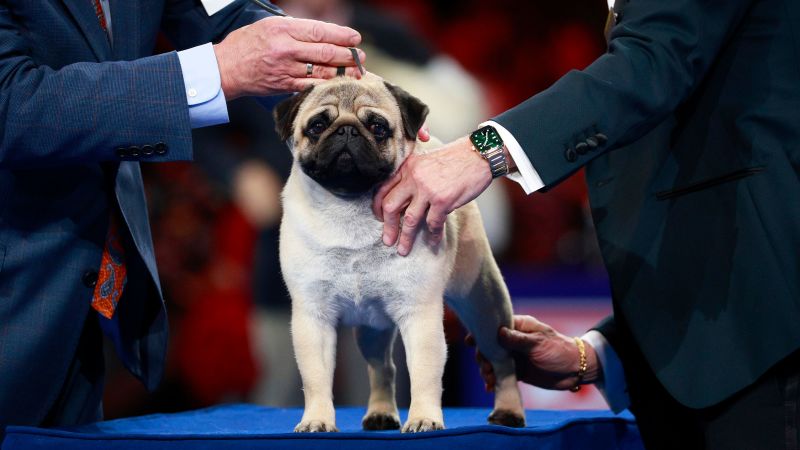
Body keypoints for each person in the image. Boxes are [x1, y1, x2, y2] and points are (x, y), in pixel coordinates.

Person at [373, 0, 800, 448]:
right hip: (716, 353)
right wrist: (599, 354)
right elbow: (707, 167)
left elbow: (650, 66)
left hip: (767, 352)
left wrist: (483, 151)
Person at [0, 0, 365, 437]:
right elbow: (10, 105)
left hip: (89, 296)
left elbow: (227, 14)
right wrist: (218, 70)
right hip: (17, 288)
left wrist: (370, 112)